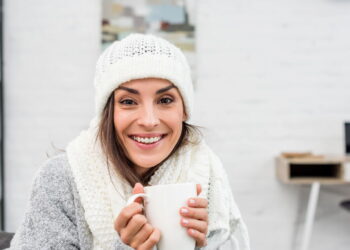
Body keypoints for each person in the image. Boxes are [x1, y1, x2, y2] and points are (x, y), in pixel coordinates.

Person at [8, 34, 250, 249]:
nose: (148, 120)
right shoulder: (60, 179)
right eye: (128, 102)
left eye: (165, 100)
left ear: (184, 110)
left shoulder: (207, 175)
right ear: (108, 113)